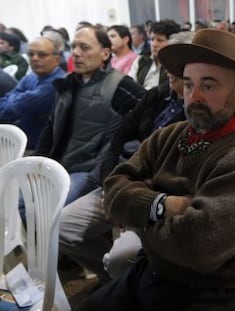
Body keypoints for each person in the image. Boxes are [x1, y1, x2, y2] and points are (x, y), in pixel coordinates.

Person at [75, 28, 235, 311]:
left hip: (208, 294)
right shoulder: (170, 135)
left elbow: (196, 247)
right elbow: (113, 189)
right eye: (188, 84)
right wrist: (165, 205)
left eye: (208, 86)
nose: (194, 96)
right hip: (150, 273)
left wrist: (138, 212)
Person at [59, 31, 195, 283]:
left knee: (122, 257)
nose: (168, 68)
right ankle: (116, 280)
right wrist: (110, 183)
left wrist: (126, 197)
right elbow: (119, 137)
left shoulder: (197, 110)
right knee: (62, 227)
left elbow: (173, 172)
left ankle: (127, 279)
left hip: (154, 195)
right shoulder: (157, 95)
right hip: (122, 179)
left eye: (178, 63)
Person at [34, 25, 145, 206]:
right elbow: (50, 127)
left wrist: (111, 169)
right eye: (74, 47)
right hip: (58, 164)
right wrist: (37, 161)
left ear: (105, 54)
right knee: (15, 202)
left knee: (47, 208)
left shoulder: (121, 86)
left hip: (88, 171)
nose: (76, 53)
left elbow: (147, 123)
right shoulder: (66, 84)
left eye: (84, 48)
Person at [0, 37, 65, 150]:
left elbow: (13, 109)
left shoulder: (57, 83)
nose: (34, 58)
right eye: (31, 54)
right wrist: (19, 98)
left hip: (38, 149)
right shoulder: (31, 77)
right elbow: (5, 102)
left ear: (57, 59)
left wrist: (16, 98)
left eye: (42, 55)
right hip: (18, 142)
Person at [128, 20, 181, 89]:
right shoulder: (141, 60)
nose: (154, 44)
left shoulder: (175, 65)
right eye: (152, 39)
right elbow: (131, 85)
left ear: (172, 42)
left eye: (159, 40)